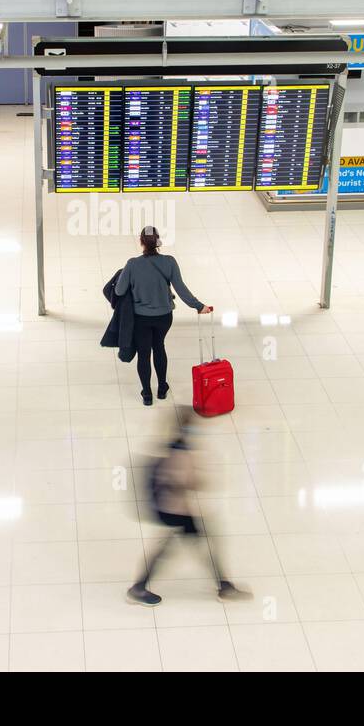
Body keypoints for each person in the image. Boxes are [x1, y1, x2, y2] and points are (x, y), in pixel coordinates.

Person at [127, 415, 250, 606]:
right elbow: (185, 482)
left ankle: (224, 586)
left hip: (172, 509)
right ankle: (224, 587)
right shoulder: (181, 454)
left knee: (181, 546)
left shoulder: (172, 447)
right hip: (175, 511)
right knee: (200, 545)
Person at [114, 227, 212, 406]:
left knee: (144, 353)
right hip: (163, 317)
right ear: (158, 241)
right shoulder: (169, 262)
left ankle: (147, 394)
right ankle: (161, 388)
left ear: (141, 242)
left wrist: (126, 276)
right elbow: (181, 290)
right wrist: (199, 306)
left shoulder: (132, 264)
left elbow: (119, 291)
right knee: (159, 347)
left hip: (141, 318)